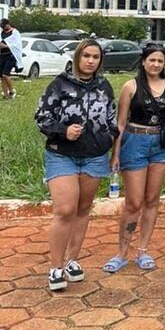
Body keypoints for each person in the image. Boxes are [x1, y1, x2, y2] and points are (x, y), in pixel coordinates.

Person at [34, 39, 118, 291]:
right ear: (77, 57)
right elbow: (42, 117)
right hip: (62, 155)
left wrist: (107, 139)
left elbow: (112, 119)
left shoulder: (104, 86)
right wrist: (64, 131)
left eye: (96, 57)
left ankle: (72, 260)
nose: (91, 61)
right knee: (65, 210)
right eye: (86, 56)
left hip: (94, 157)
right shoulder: (59, 84)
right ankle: (55, 267)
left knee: (83, 209)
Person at [103, 44, 165, 273]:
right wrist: (116, 153)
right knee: (134, 202)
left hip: (160, 145)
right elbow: (120, 123)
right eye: (152, 60)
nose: (156, 64)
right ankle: (122, 252)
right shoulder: (131, 86)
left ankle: (143, 250)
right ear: (143, 61)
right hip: (135, 141)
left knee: (152, 199)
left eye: (160, 61)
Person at [0, 18, 23, 99]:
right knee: (1, 76)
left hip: (10, 56)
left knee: (5, 74)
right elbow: (0, 41)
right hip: (2, 56)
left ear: (8, 24)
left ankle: (11, 91)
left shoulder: (15, 33)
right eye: (1, 26)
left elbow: (17, 45)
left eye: (3, 26)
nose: (2, 28)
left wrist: (6, 46)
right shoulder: (2, 33)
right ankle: (6, 95)